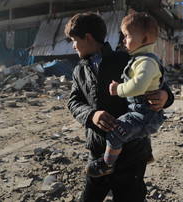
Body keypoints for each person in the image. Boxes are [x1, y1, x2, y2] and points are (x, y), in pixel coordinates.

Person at [65, 12, 174, 202]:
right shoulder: (79, 70)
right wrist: (92, 115)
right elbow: (73, 102)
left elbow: (158, 83)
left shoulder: (126, 59)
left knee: (130, 196)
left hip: (132, 152)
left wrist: (165, 96)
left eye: (74, 40)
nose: (73, 46)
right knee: (89, 196)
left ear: (88, 37)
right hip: (98, 150)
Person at [85, 12, 166, 177]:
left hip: (146, 113)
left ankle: (106, 164)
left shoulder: (146, 62)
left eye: (127, 36)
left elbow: (139, 86)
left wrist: (118, 89)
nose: (123, 40)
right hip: (140, 112)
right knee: (129, 129)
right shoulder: (137, 59)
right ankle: (145, 154)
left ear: (143, 39)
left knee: (117, 131)